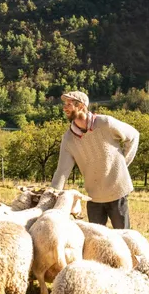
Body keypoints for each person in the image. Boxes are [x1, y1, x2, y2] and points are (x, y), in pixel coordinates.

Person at [50, 90, 139, 229]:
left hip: (118, 192)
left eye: (69, 104)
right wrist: (51, 196)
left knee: (124, 238)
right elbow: (62, 171)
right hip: (94, 197)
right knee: (95, 243)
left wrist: (123, 164)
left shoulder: (105, 123)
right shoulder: (68, 139)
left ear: (81, 106)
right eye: (65, 104)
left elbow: (133, 135)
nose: (65, 107)